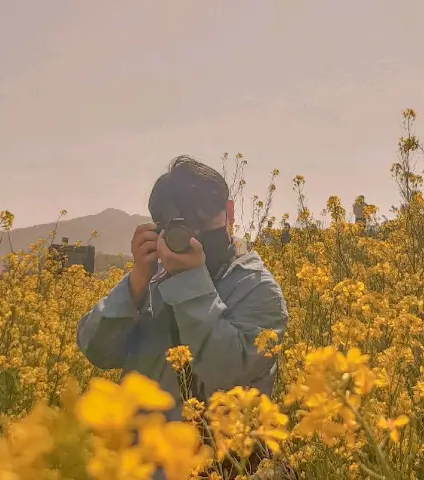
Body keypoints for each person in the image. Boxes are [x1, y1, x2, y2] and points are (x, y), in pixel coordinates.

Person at [76, 155, 288, 422]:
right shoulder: (151, 284)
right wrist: (136, 283)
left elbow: (227, 375)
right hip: (141, 456)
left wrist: (189, 281)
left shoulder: (257, 288)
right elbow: (97, 351)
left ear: (230, 212)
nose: (194, 237)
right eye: (182, 226)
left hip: (216, 459)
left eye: (204, 221)